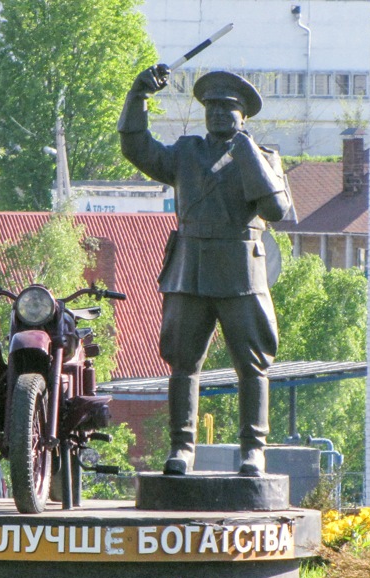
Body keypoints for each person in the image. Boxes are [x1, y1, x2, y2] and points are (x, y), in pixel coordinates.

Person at [118, 65, 292, 477]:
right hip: (190, 268)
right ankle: (182, 448)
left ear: (244, 116)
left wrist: (247, 153)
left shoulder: (262, 157)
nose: (217, 115)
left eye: (227, 108)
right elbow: (137, 147)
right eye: (211, 107)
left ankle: (254, 449)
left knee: (252, 364)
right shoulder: (186, 153)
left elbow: (275, 210)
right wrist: (138, 96)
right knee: (183, 362)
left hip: (240, 272)